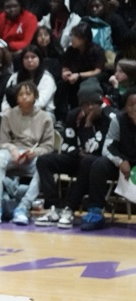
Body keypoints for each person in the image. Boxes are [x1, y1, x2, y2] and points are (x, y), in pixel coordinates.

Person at [35, 81, 117, 228]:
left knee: (90, 161)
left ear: (100, 101)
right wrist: (78, 152)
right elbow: (67, 145)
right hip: (79, 157)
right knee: (44, 160)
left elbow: (98, 149)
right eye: (86, 104)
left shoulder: (110, 117)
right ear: (81, 105)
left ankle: (69, 208)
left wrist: (88, 124)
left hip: (101, 164)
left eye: (94, 103)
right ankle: (53, 208)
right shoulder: (73, 115)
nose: (91, 107)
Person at [0, 81, 55, 225]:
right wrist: (11, 149)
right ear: (16, 98)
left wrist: (35, 152)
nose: (24, 97)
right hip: (13, 153)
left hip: (32, 155)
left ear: (35, 96)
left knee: (44, 165)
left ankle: (24, 206)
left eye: (28, 94)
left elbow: (49, 146)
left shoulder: (45, 117)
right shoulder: (8, 115)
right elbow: (2, 143)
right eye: (21, 94)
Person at [80, 88, 136, 231]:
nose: (135, 108)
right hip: (124, 164)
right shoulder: (118, 121)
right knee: (99, 164)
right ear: (125, 107)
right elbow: (108, 146)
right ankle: (96, 211)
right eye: (132, 104)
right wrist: (120, 161)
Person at [55, 23, 105, 121]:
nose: (72, 39)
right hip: (74, 77)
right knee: (60, 84)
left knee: (86, 86)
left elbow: (98, 70)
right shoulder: (70, 50)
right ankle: (61, 117)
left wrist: (79, 75)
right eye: (72, 35)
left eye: (76, 36)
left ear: (85, 38)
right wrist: (65, 74)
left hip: (90, 78)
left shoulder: (96, 50)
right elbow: (65, 66)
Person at [1, 45, 57, 117]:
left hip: (41, 113)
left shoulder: (47, 78)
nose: (29, 60)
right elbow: (6, 101)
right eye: (26, 58)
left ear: (39, 59)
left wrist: (22, 111)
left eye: (33, 57)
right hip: (16, 113)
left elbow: (41, 102)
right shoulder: (15, 77)